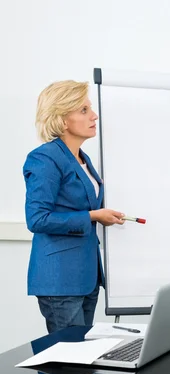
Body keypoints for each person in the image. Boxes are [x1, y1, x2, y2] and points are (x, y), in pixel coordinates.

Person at [24, 80, 125, 333]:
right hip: (60, 280)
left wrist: (99, 216)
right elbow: (37, 219)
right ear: (62, 119)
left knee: (83, 360)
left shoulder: (81, 157)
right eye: (83, 110)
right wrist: (93, 215)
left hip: (85, 276)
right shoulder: (45, 158)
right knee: (70, 362)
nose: (94, 115)